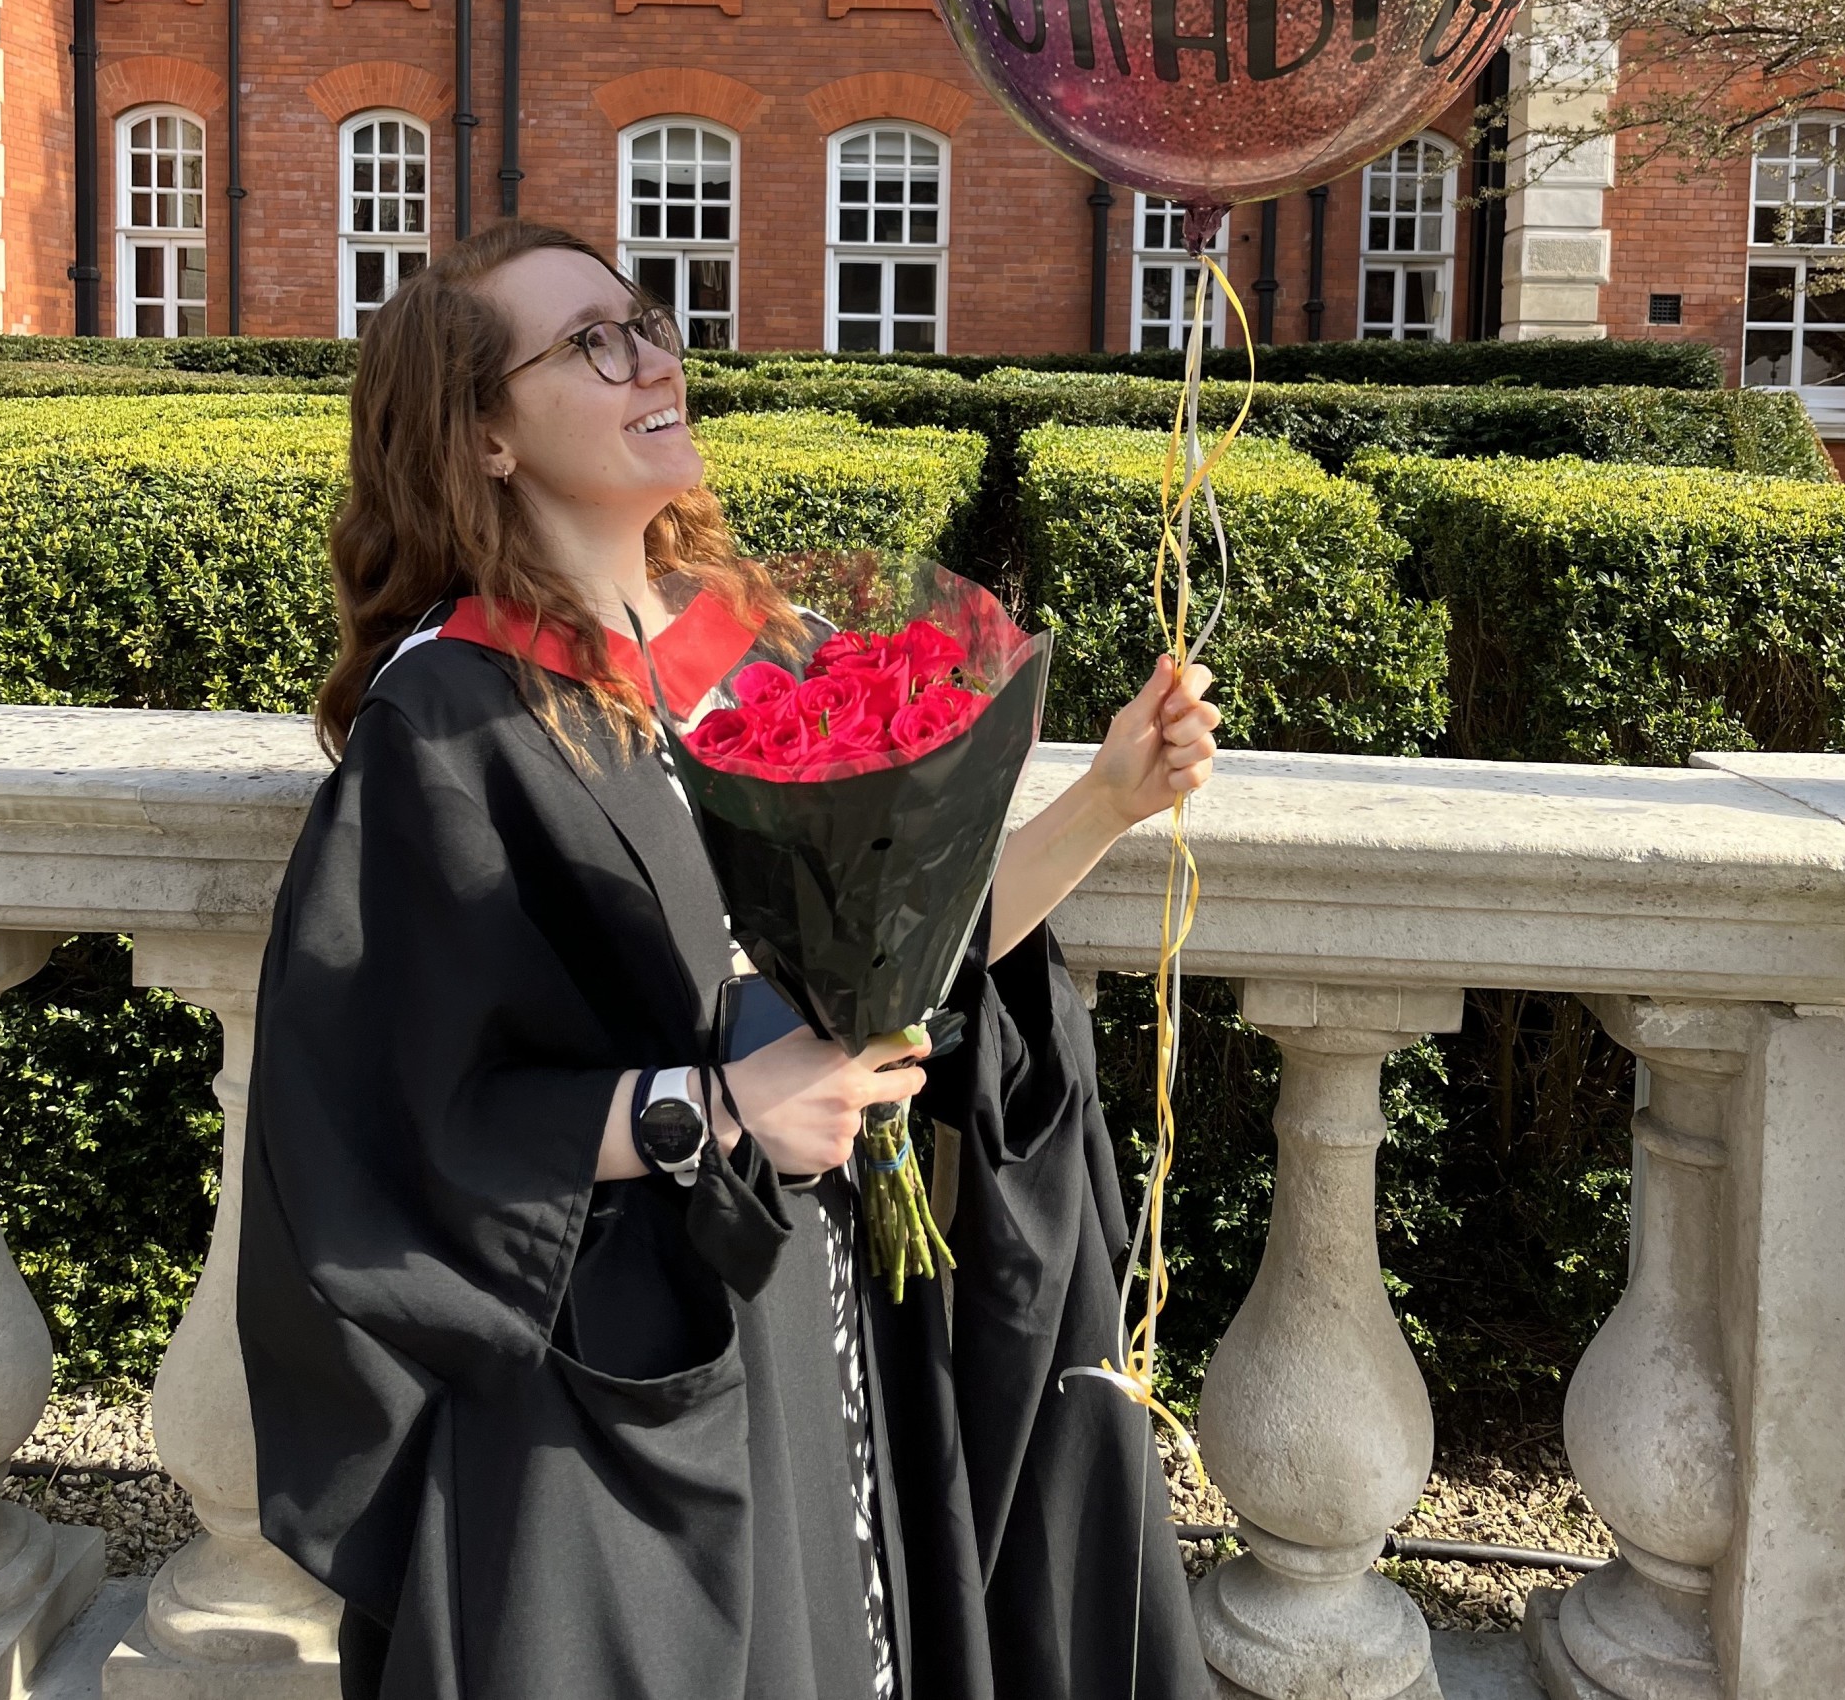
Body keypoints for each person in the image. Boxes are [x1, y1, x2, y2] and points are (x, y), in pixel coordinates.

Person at [238, 221, 1224, 1700]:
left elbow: (914, 952)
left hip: (825, 1295)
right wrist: (715, 1110)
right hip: (613, 1370)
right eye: (588, 343)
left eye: (642, 319)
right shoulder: (448, 723)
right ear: (484, 434)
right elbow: (395, 1119)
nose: (652, 356)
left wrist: (1108, 797)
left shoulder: (767, 648)